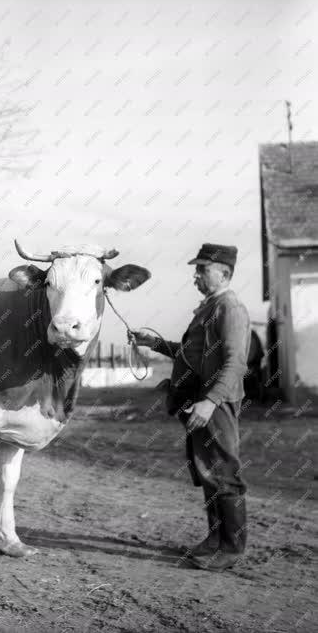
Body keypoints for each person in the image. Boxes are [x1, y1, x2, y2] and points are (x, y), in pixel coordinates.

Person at [133, 243, 251, 572]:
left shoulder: (230, 308)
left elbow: (235, 362)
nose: (196, 275)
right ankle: (215, 540)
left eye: (203, 269)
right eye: (196, 269)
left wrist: (210, 402)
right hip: (201, 400)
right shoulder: (209, 308)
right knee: (207, 471)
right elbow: (193, 354)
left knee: (224, 472)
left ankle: (230, 547)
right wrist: (155, 344)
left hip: (216, 402)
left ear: (224, 273)